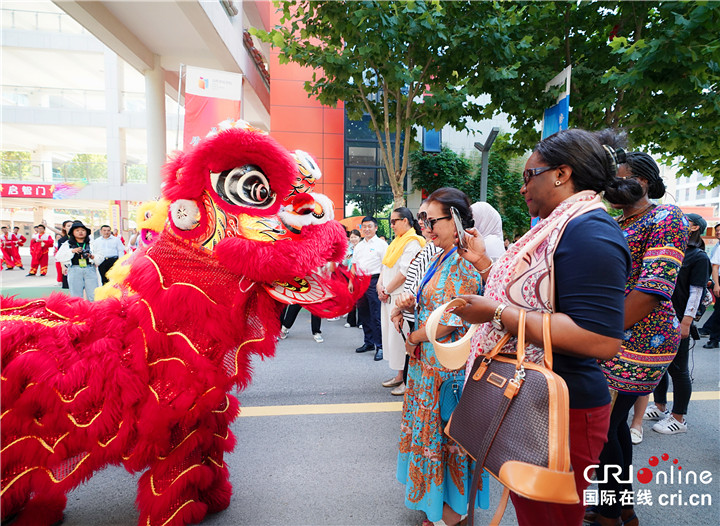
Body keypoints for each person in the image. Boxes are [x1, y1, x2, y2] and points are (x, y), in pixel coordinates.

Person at [451, 129, 633, 526]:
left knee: (548, 518)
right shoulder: (558, 227)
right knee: (533, 512)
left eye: (529, 174)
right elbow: (538, 297)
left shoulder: (591, 232)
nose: (522, 188)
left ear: (561, 174)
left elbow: (600, 339)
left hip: (562, 408)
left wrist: (497, 315)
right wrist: (486, 267)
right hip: (536, 398)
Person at [589, 150, 687, 526]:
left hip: (643, 340)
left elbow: (654, 287)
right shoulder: (618, 220)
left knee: (602, 426)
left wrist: (598, 334)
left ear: (643, 181)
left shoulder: (665, 216)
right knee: (611, 426)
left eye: (620, 178)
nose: (611, 186)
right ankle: (620, 509)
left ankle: (611, 513)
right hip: (617, 336)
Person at [394, 188, 487, 526]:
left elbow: (453, 318)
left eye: (432, 220)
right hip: (428, 364)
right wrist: (407, 310)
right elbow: (432, 302)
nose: (426, 227)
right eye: (424, 220)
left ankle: (453, 511)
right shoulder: (440, 255)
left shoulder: (463, 259)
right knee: (434, 436)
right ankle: (441, 504)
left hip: (445, 367)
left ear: (456, 220)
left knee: (446, 438)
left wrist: (415, 336)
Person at [645, 213, 711, 437]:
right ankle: (660, 406)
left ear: (694, 228)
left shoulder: (698, 257)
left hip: (679, 320)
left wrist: (686, 322)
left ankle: (679, 417)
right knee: (659, 366)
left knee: (679, 370)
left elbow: (697, 292)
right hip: (660, 319)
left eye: (686, 220)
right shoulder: (673, 252)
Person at [378, 207, 424, 395]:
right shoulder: (396, 242)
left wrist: (387, 289)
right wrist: (380, 286)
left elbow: (405, 273)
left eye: (394, 221)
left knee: (401, 339)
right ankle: (399, 376)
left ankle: (406, 379)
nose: (392, 225)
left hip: (400, 298)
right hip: (388, 295)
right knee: (392, 339)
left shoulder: (413, 242)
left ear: (406, 221)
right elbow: (385, 266)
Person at [351, 216, 388, 361]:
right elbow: (354, 264)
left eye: (369, 226)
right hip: (360, 281)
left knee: (376, 314)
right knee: (364, 314)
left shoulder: (381, 244)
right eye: (364, 226)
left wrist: (380, 283)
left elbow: (385, 266)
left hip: (374, 281)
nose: (366, 229)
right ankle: (369, 342)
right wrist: (351, 282)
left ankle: (380, 346)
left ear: (376, 228)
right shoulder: (359, 245)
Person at [56, 221, 102, 301]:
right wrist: (72, 251)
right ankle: (77, 311)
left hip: (89, 269)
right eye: (77, 230)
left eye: (83, 230)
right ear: (73, 233)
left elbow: (100, 257)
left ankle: (94, 311)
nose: (80, 232)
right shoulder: (67, 244)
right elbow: (59, 257)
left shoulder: (92, 243)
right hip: (74, 269)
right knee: (75, 295)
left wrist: (91, 256)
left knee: (93, 294)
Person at [700, 223, 720, 348]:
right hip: (719, 280)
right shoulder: (718, 247)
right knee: (719, 311)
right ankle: (714, 338)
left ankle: (709, 330)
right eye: (717, 231)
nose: (718, 232)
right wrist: (716, 285)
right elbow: (715, 267)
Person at [344, 229, 362, 328]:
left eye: (355, 237)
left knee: (360, 299)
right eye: (351, 237)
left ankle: (361, 321)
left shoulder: (363, 248)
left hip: (360, 276)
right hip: (349, 275)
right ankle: (351, 321)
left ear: (359, 238)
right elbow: (344, 263)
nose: (353, 239)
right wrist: (346, 258)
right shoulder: (348, 249)